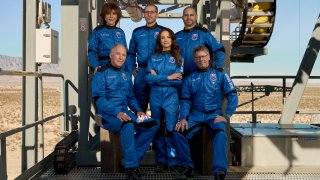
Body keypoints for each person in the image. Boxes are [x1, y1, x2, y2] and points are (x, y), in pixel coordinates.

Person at [92, 44, 159, 180]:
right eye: (118, 54)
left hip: (124, 113)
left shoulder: (125, 74)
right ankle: (131, 168)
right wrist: (117, 112)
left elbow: (131, 97)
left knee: (152, 125)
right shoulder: (101, 72)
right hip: (105, 116)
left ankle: (130, 159)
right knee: (127, 125)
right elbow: (99, 100)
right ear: (111, 55)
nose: (121, 57)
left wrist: (139, 111)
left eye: (123, 55)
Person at [175, 45, 238, 180]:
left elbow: (233, 95)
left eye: (204, 56)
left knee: (220, 134)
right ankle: (187, 167)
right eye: (198, 58)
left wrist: (226, 115)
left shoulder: (221, 74)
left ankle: (219, 171)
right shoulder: (190, 78)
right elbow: (185, 100)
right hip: (196, 114)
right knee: (178, 133)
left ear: (209, 57)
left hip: (215, 114)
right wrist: (184, 118)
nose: (201, 59)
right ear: (194, 60)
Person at [145, 28, 193, 178]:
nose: (165, 40)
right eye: (162, 37)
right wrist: (168, 78)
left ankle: (173, 161)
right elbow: (148, 78)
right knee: (158, 129)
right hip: (155, 97)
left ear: (172, 39)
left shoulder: (179, 57)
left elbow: (179, 81)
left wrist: (158, 78)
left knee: (171, 129)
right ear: (159, 40)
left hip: (171, 97)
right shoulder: (153, 57)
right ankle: (161, 160)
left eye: (168, 37)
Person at [127, 4, 165, 113]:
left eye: (152, 12)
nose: (149, 14)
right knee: (139, 105)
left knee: (158, 105)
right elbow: (131, 53)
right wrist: (133, 69)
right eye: (147, 12)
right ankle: (139, 129)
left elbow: (170, 52)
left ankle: (158, 129)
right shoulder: (137, 32)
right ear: (144, 14)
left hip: (158, 72)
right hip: (141, 72)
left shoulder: (163, 32)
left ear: (157, 14)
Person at [175, 6, 225, 76]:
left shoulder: (204, 33)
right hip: (181, 78)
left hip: (200, 76)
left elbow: (220, 49)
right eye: (186, 15)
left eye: (191, 15)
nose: (189, 17)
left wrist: (215, 68)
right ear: (182, 17)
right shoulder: (176, 36)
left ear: (196, 17)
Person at [88, 2, 128, 75]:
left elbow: (126, 52)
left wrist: (128, 69)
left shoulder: (120, 32)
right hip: (104, 67)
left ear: (117, 16)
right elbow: (91, 51)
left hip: (120, 68)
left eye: (114, 14)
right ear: (104, 16)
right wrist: (96, 66)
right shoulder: (98, 31)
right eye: (108, 13)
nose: (111, 16)